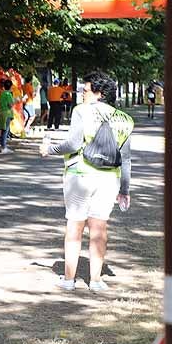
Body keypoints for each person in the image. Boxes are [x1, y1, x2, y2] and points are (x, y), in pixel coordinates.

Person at [40, 71, 133, 291]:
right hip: (109, 179)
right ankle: (96, 280)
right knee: (99, 228)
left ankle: (69, 280)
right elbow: (126, 158)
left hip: (79, 175)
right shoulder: (125, 120)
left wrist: (49, 149)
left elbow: (72, 144)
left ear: (99, 93)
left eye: (85, 90)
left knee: (75, 225)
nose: (81, 94)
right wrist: (125, 189)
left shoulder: (82, 111)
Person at [0, 79, 15, 153]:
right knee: (5, 131)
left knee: (2, 130)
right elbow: (10, 105)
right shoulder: (8, 94)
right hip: (7, 114)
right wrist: (16, 100)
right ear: (10, 86)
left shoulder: (2, 93)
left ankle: (3, 146)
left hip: (1, 113)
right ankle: (3, 147)